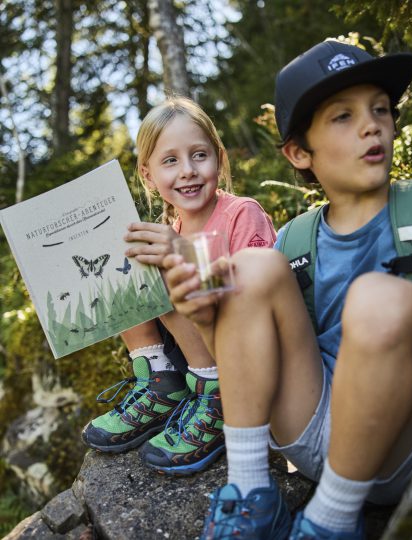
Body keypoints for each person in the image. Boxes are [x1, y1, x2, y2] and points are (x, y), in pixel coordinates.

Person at [163, 39, 412, 539]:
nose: (372, 125)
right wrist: (203, 316)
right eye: (342, 117)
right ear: (300, 152)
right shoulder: (293, 239)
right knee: (250, 267)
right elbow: (245, 364)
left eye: (380, 110)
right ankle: (250, 492)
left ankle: (331, 521)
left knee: (378, 296)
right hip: (313, 425)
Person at [81, 95, 276, 476]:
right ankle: (160, 380)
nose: (187, 170)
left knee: (170, 266)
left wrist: (187, 259)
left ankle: (216, 399)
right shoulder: (169, 232)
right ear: (149, 175)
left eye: (199, 155)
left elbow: (259, 292)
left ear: (219, 159)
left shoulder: (242, 213)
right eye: (170, 161)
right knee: (123, 261)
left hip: (241, 353)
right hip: (189, 351)